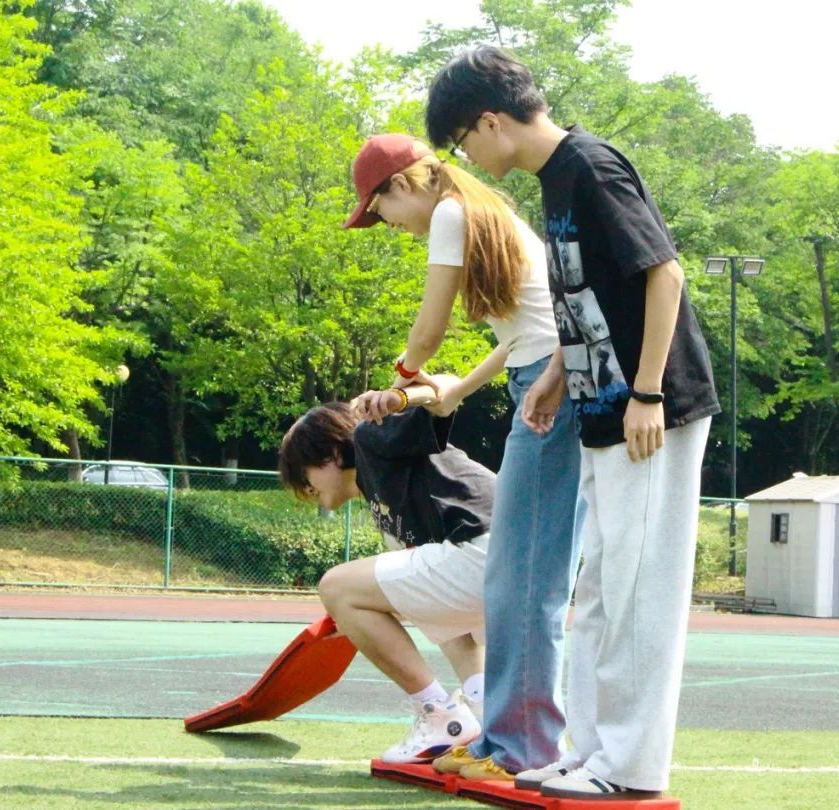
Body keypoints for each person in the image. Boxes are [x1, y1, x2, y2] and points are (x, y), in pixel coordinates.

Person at [424, 46, 721, 800]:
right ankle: (590, 752)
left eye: (462, 142)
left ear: (490, 121)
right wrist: (559, 374)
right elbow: (588, 299)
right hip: (600, 411)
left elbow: (664, 274)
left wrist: (647, 392)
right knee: (598, 592)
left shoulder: (589, 167)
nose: (467, 158)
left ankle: (631, 769)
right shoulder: (555, 179)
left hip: (651, 412)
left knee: (637, 592)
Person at [342, 134, 583, 782]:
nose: (391, 227)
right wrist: (459, 389)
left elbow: (429, 329)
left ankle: (519, 749)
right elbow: (524, 332)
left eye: (381, 212)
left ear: (401, 185)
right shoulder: (484, 209)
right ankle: (517, 741)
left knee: (522, 579)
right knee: (527, 578)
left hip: (551, 387)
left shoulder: (451, 212)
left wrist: (399, 381)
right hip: (548, 375)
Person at [278, 383, 493, 764]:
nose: (305, 488)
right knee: (423, 599)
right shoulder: (380, 490)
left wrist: (403, 396)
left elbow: (443, 395)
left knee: (337, 587)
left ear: (330, 454)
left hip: (486, 546)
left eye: (304, 473)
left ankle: (438, 713)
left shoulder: (370, 438)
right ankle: (484, 707)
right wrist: (362, 616)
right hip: (507, 559)